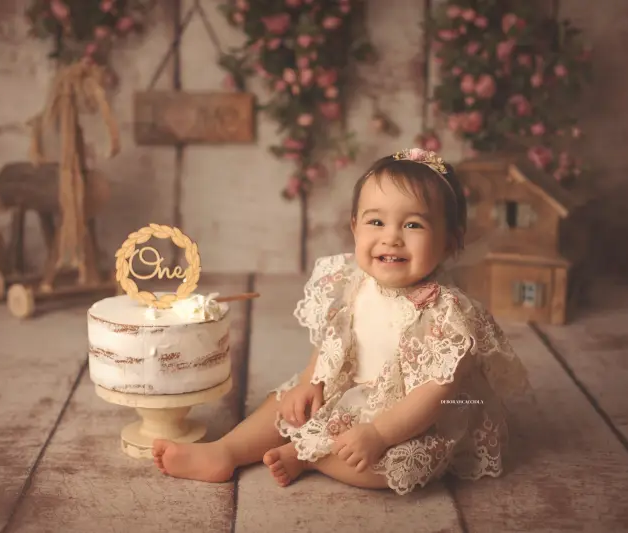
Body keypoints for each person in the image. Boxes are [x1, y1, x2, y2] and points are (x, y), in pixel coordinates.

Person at [152, 148, 531, 495]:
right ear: (354, 227)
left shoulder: (448, 314)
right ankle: (226, 451)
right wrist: (310, 381)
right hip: (348, 387)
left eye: (413, 225)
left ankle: (308, 457)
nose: (392, 238)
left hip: (409, 417)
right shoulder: (350, 280)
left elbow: (433, 395)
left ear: (450, 241)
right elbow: (335, 339)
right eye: (376, 221)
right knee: (285, 404)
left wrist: (379, 434)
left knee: (396, 466)